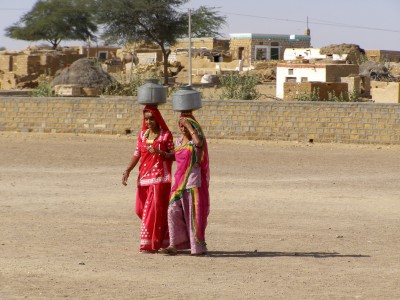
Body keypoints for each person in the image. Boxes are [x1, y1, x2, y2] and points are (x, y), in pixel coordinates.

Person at [122, 105, 174, 253]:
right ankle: (163, 239)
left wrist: (160, 152)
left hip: (159, 180)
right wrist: (128, 170)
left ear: (157, 119)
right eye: (146, 119)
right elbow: (137, 154)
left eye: (152, 119)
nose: (149, 122)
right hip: (143, 178)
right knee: (140, 209)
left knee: (152, 212)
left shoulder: (165, 136)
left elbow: (175, 155)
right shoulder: (142, 135)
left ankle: (148, 244)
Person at [160, 111, 210, 256]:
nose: (183, 128)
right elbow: (176, 156)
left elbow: (199, 143)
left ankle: (197, 247)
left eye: (185, 126)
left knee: (192, 214)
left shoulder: (196, 140)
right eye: (181, 126)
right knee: (172, 210)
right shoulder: (178, 141)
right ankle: (174, 244)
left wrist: (189, 125)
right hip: (179, 182)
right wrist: (164, 154)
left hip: (193, 182)